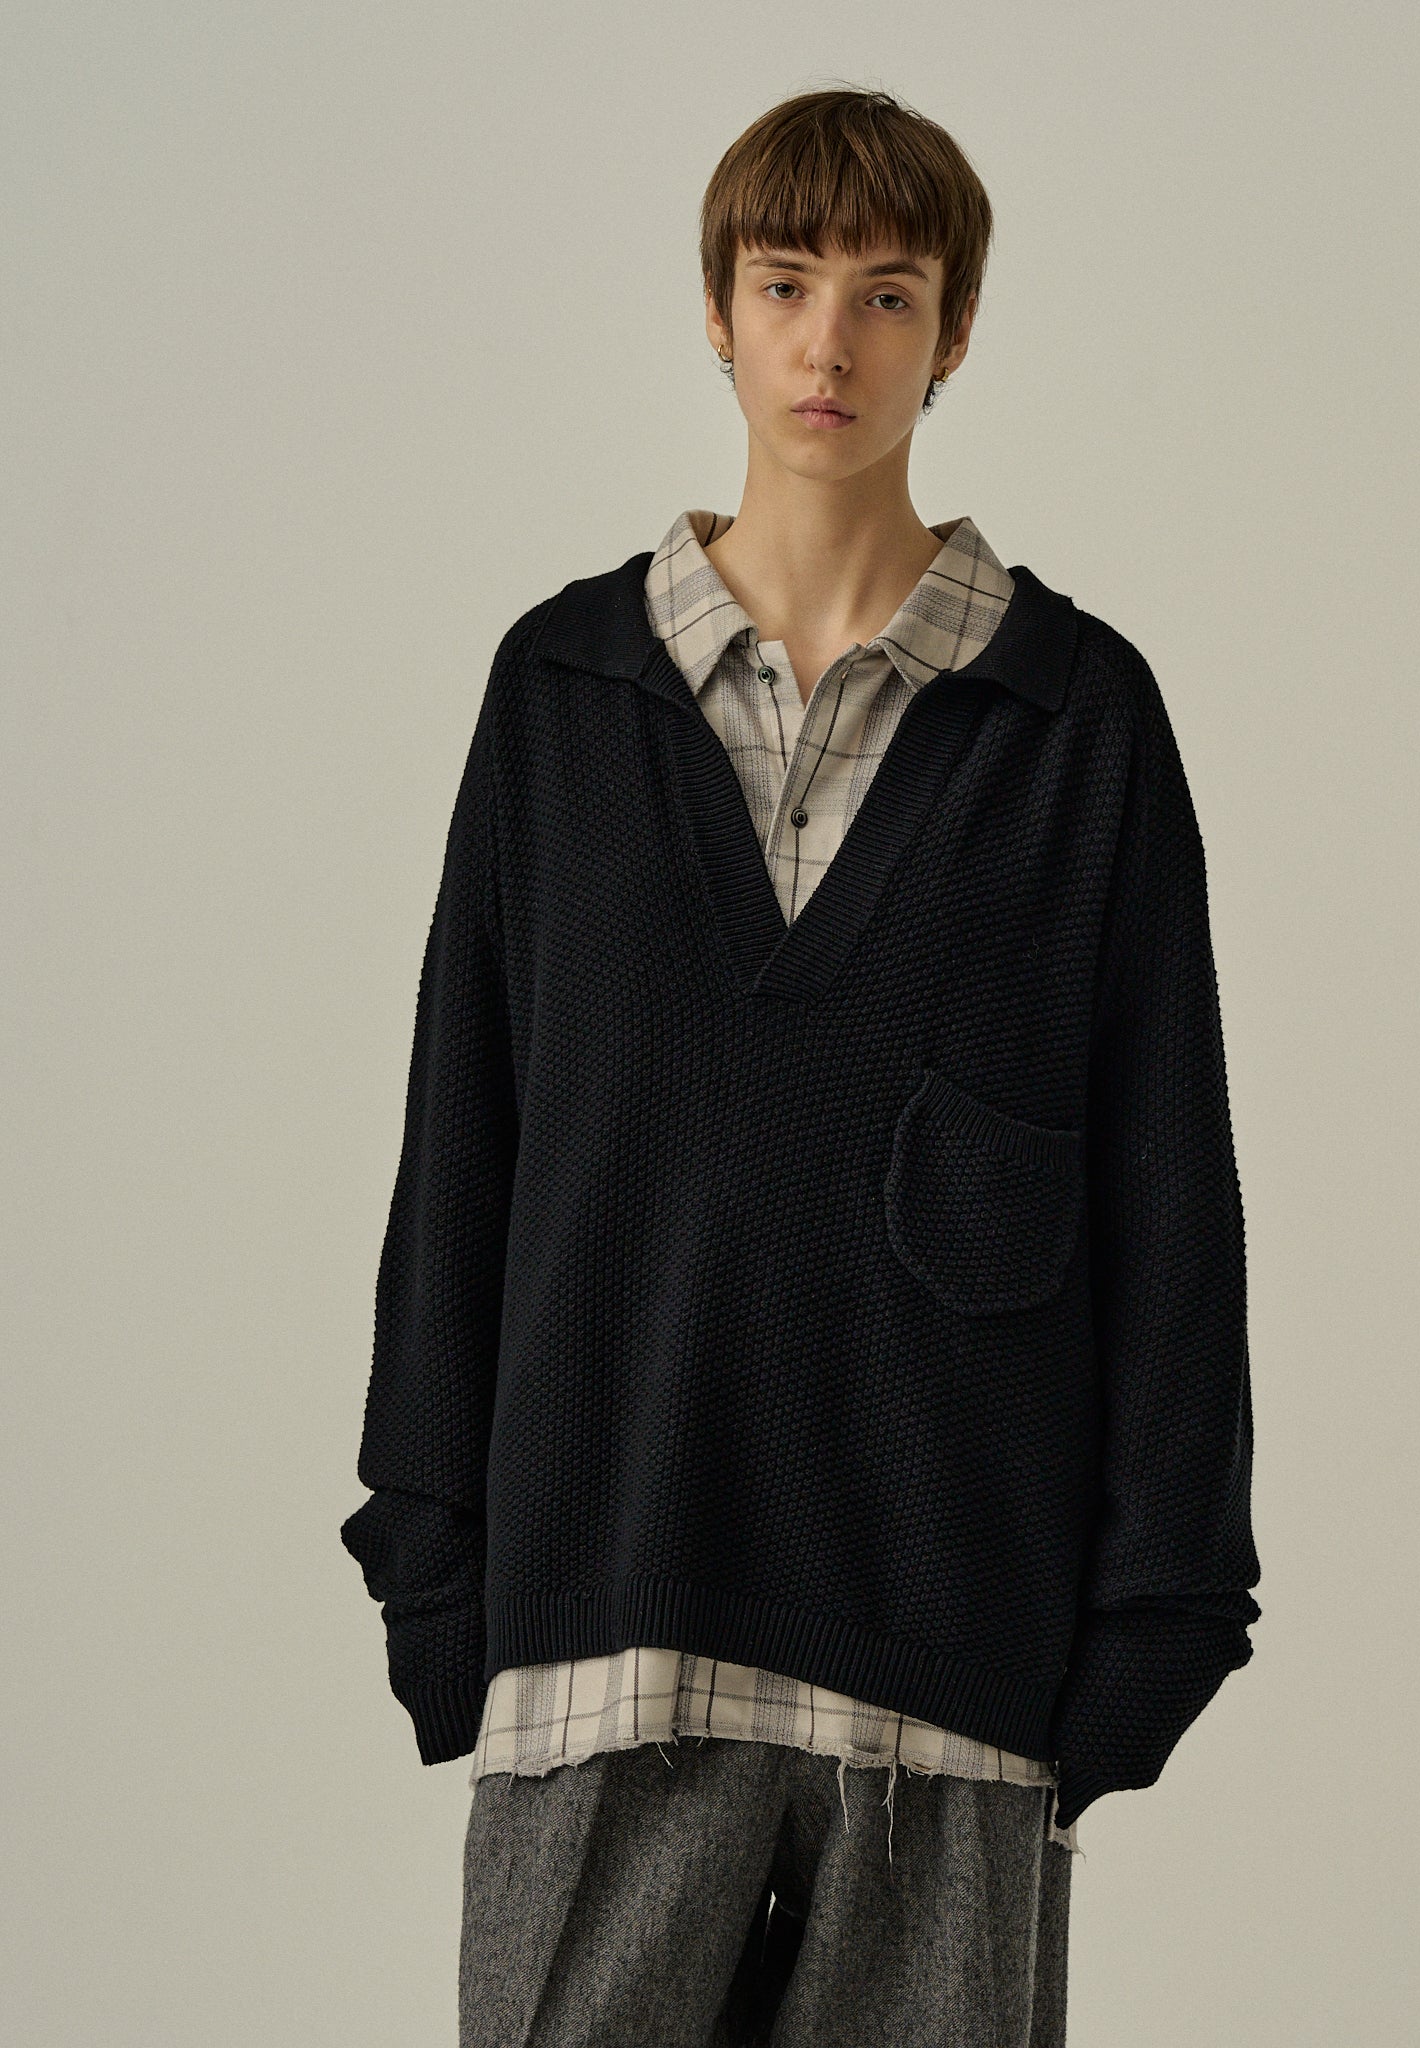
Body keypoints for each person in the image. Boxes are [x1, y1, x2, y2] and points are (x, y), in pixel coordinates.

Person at [341, 84, 1261, 2048]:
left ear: (954, 331)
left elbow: (1169, 1195)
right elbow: (464, 1149)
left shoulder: (1074, 721)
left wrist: (1158, 1619)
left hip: (947, 1672)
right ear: (717, 311)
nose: (829, 341)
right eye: (783, 285)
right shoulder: (561, 692)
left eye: (885, 292)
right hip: (605, 1646)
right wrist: (434, 1566)